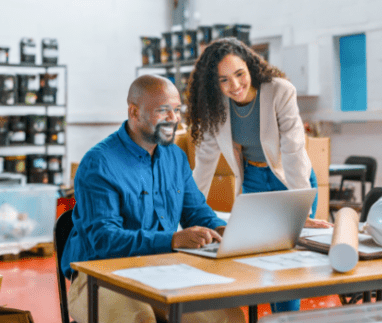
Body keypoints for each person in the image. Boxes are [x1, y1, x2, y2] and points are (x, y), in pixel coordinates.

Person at [61, 74, 246, 323]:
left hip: (162, 272)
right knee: (140, 318)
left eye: (177, 110)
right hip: (99, 276)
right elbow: (104, 240)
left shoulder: (175, 158)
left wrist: (224, 231)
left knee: (227, 318)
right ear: (134, 112)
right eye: (163, 111)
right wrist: (173, 240)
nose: (174, 118)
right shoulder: (99, 164)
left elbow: (197, 213)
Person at [186, 37, 333, 313]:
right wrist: (186, 213)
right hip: (253, 181)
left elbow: (293, 149)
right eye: (224, 80)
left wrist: (301, 206)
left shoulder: (279, 91)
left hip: (288, 179)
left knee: (287, 261)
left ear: (250, 66)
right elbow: (204, 162)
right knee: (257, 258)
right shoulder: (214, 105)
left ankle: (286, 319)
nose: (235, 86)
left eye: (239, 74)